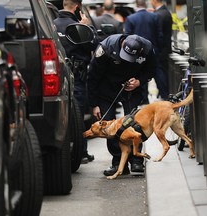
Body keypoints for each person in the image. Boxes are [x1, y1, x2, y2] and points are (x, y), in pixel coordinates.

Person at [87, 34, 156, 175]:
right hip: (107, 88)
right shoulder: (106, 48)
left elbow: (152, 70)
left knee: (135, 125)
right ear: (122, 43)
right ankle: (118, 162)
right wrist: (94, 104)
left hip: (132, 89)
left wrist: (139, 81)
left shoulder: (148, 49)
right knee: (109, 127)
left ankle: (136, 160)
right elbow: (92, 76)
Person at [54, 0, 96, 163]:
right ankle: (81, 152)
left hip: (57, 76)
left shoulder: (51, 24)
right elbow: (94, 46)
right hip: (77, 77)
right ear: (77, 8)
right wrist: (87, 26)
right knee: (77, 116)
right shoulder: (78, 27)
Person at [124, 0, 163, 103]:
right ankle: (164, 95)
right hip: (153, 50)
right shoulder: (154, 17)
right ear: (145, 4)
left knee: (140, 74)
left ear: (136, 4)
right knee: (157, 73)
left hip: (136, 52)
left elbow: (127, 37)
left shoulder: (131, 18)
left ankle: (144, 99)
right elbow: (160, 35)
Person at [150, 0, 172, 100]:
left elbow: (160, 35)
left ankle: (165, 96)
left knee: (161, 74)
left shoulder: (159, 14)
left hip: (161, 51)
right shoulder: (164, 12)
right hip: (165, 50)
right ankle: (164, 95)